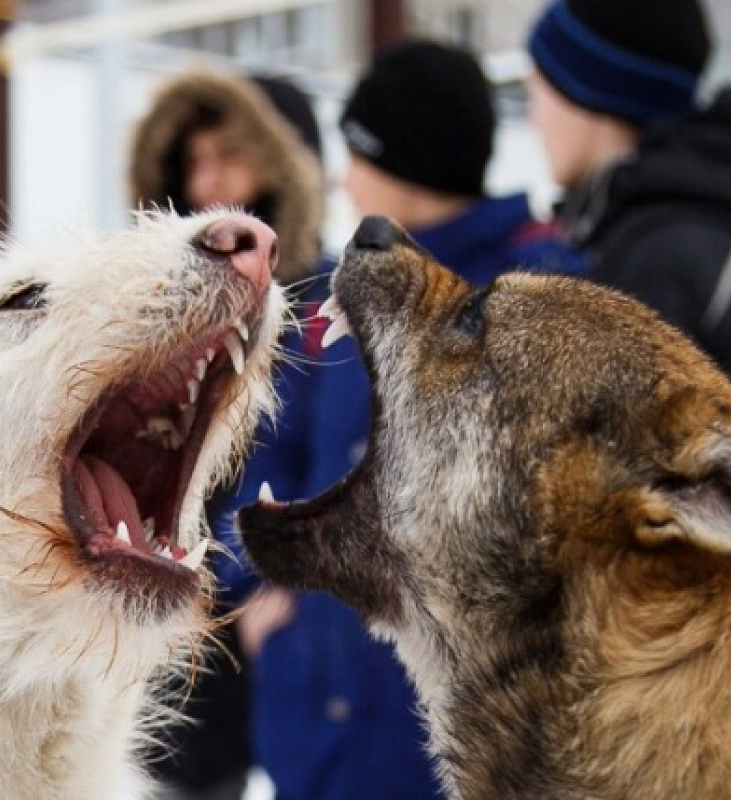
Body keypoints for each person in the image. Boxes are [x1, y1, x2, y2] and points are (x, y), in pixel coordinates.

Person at [223, 40, 583, 800]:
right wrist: (257, 581)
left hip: (449, 737)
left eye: (355, 153)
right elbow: (272, 445)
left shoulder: (534, 296)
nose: (343, 179)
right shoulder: (335, 288)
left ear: (394, 163)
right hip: (316, 721)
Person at [127, 69, 330, 800]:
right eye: (194, 160)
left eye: (232, 154)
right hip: (169, 624)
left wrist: (284, 583)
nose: (208, 180)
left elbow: (342, 458)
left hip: (277, 621)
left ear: (286, 162)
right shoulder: (156, 309)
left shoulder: (334, 312)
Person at [525, 0, 731, 426]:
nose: (533, 117)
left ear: (591, 93)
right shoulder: (670, 224)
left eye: (540, 89)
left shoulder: (664, 255)